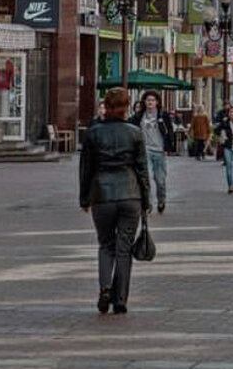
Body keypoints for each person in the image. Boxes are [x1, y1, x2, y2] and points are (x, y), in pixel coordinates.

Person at [80, 87, 151, 314]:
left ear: (106, 106)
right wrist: (147, 199)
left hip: (101, 194)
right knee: (124, 248)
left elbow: (86, 169)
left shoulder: (93, 133)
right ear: (126, 107)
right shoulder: (134, 133)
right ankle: (120, 299)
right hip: (130, 194)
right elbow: (142, 169)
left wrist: (84, 197)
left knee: (105, 245)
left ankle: (105, 287)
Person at [129, 92, 174, 214]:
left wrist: (168, 147)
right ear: (144, 102)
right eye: (148, 100)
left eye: (153, 100)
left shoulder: (163, 115)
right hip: (145, 151)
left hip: (159, 151)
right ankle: (147, 203)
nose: (150, 102)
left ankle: (161, 200)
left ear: (157, 102)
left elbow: (170, 131)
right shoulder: (138, 116)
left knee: (160, 180)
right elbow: (130, 127)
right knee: (146, 178)